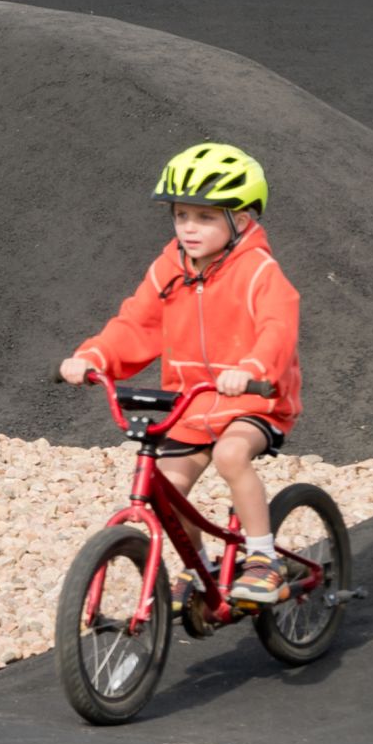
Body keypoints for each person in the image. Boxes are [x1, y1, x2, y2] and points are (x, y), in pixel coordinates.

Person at [57, 141, 302, 600]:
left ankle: (263, 557)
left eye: (206, 217)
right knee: (167, 486)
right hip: (191, 403)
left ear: (241, 221)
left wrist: (250, 368)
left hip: (255, 397)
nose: (189, 228)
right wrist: (94, 356)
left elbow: (277, 328)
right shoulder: (170, 268)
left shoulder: (259, 272)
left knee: (231, 456)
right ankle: (200, 566)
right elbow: (137, 324)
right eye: (181, 216)